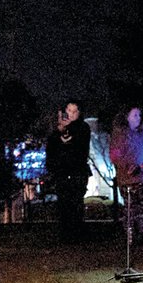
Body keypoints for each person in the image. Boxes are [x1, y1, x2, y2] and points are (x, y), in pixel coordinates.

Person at [109, 105, 143, 242]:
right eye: (134, 115)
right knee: (131, 208)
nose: (138, 118)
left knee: (141, 209)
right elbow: (115, 156)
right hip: (128, 179)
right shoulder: (120, 136)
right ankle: (130, 235)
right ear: (127, 117)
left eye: (139, 115)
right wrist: (129, 166)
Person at [45, 100, 91, 242]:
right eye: (68, 111)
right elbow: (51, 148)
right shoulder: (56, 130)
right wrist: (60, 131)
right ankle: (65, 233)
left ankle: (77, 233)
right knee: (63, 203)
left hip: (78, 171)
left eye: (74, 111)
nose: (71, 114)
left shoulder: (83, 128)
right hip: (61, 172)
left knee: (76, 202)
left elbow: (81, 148)